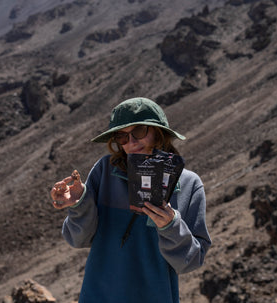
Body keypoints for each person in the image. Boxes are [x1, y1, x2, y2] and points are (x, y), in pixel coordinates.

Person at [51, 97, 211, 303]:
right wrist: (79, 204)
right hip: (98, 296)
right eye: (122, 136)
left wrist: (171, 226)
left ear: (158, 132)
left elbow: (192, 261)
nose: (132, 142)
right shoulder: (105, 171)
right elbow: (77, 239)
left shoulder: (189, 184)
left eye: (139, 132)